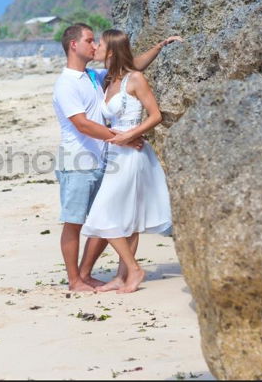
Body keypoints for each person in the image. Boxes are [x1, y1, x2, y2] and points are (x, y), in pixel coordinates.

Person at [53, 23, 181, 292]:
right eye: (90, 40)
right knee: (76, 222)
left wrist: (159, 47)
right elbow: (82, 124)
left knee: (114, 217)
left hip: (107, 159)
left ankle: (100, 274)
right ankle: (76, 280)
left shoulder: (95, 77)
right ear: (74, 45)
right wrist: (121, 136)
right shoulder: (66, 83)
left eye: (97, 42)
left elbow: (131, 66)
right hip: (78, 161)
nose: (94, 45)